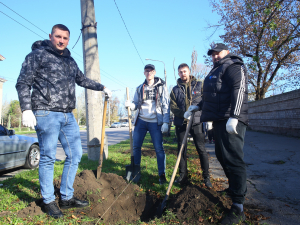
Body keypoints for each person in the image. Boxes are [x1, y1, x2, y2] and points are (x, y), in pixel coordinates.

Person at [15, 24, 112, 219]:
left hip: (68, 115)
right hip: (46, 113)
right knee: (48, 157)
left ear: (68, 40)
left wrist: (102, 87)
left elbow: (82, 79)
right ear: (51, 36)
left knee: (75, 155)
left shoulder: (69, 60)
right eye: (58, 37)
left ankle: (66, 197)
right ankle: (49, 200)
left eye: (65, 38)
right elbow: (23, 82)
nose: (61, 41)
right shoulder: (37, 55)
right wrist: (26, 109)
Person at [185, 43, 248, 224]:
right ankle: (234, 189)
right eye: (212, 54)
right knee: (222, 156)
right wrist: (198, 106)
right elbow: (211, 96)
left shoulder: (234, 66)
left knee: (234, 158)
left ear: (226, 52)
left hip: (231, 120)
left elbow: (239, 89)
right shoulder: (215, 71)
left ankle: (238, 206)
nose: (215, 56)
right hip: (220, 119)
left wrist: (234, 116)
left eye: (217, 53)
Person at [125, 64, 170, 184]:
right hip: (141, 121)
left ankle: (162, 175)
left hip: (155, 122)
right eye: (146, 71)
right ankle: (136, 172)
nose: (149, 73)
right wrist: (130, 105)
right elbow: (135, 104)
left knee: (159, 149)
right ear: (144, 73)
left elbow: (166, 105)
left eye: (151, 71)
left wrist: (166, 122)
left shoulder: (161, 87)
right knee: (136, 147)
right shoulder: (140, 88)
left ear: (154, 72)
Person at [170, 63, 212, 188]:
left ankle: (206, 177)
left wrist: (207, 116)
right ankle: (183, 175)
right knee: (181, 150)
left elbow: (206, 100)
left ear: (189, 71)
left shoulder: (199, 85)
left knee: (201, 149)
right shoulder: (175, 89)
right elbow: (173, 106)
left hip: (197, 122)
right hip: (181, 123)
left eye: (185, 71)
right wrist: (183, 114)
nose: (183, 74)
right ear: (178, 74)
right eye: (180, 72)